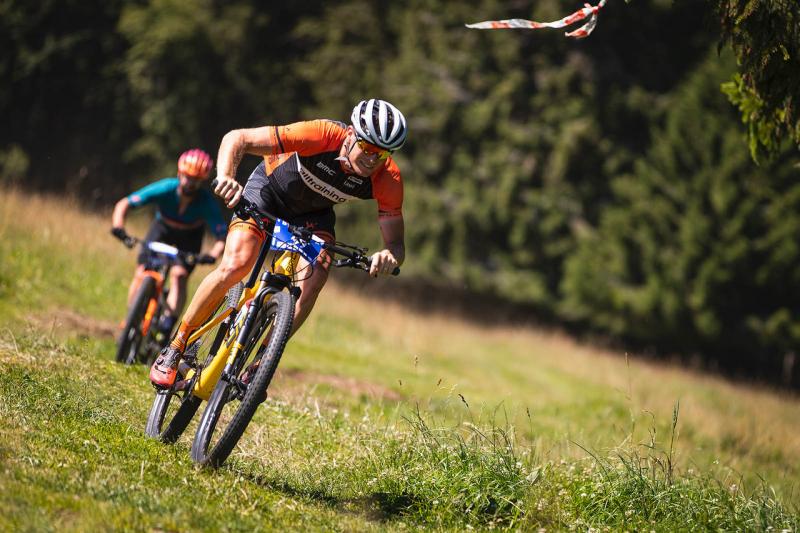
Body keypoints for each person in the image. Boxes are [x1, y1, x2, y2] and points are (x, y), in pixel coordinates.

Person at [149, 99, 408, 388]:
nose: (373, 159)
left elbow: (396, 245)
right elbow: (237, 138)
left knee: (317, 275)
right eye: (369, 147)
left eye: (383, 153)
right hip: (268, 192)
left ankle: (261, 363)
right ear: (350, 134)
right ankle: (176, 347)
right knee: (237, 264)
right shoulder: (320, 134)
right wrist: (226, 177)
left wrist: (389, 256)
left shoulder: (388, 178)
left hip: (314, 216)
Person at [111, 149, 228, 341]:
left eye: (195, 179)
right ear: (179, 173)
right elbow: (125, 203)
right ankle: (131, 319)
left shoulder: (206, 202)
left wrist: (213, 254)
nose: (190, 182)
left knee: (179, 276)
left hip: (190, 238)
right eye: (187, 177)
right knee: (141, 272)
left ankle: (167, 325)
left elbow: (221, 235)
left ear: (202, 181)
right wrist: (118, 227)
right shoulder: (166, 188)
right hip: (161, 231)